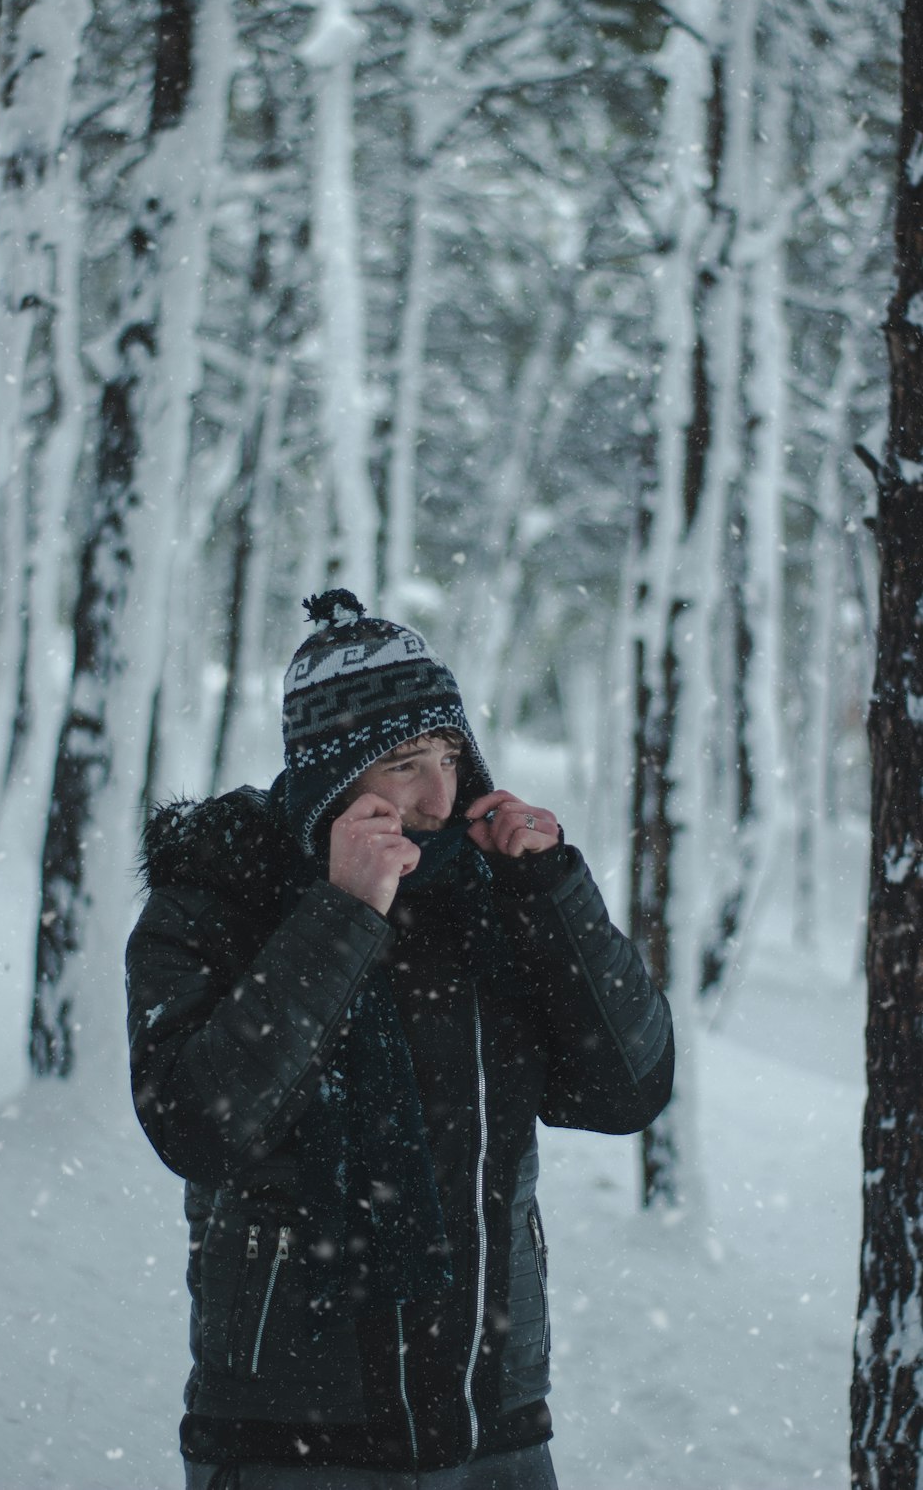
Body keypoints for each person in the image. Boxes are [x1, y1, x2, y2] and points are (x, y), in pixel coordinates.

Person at [126, 590, 673, 1490]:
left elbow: (628, 1090)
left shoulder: (493, 898)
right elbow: (198, 1126)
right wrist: (341, 916)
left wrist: (555, 896)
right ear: (334, 777)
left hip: (491, 1425)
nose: (441, 794)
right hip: (286, 1438)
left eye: (451, 756)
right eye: (405, 764)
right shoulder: (216, 900)